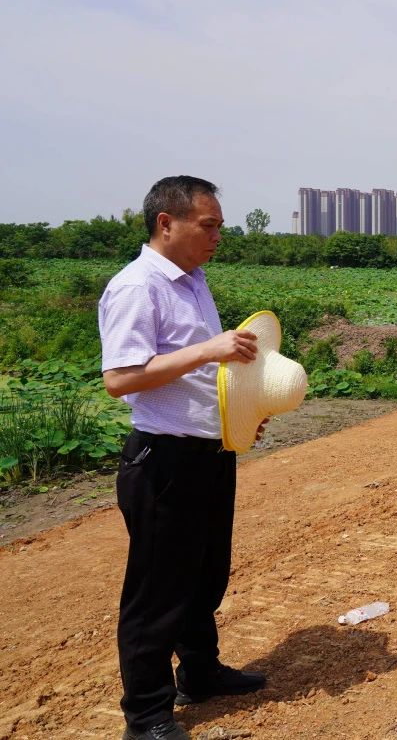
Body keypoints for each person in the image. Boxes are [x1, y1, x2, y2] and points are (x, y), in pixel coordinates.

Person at [99, 176, 266, 740]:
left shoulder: (193, 281)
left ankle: (201, 671)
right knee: (157, 592)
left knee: (204, 575)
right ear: (166, 223)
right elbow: (120, 379)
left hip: (209, 450)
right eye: (209, 225)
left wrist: (241, 414)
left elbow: (203, 378)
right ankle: (146, 716)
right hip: (163, 458)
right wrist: (208, 348)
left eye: (220, 225)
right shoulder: (136, 287)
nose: (219, 235)